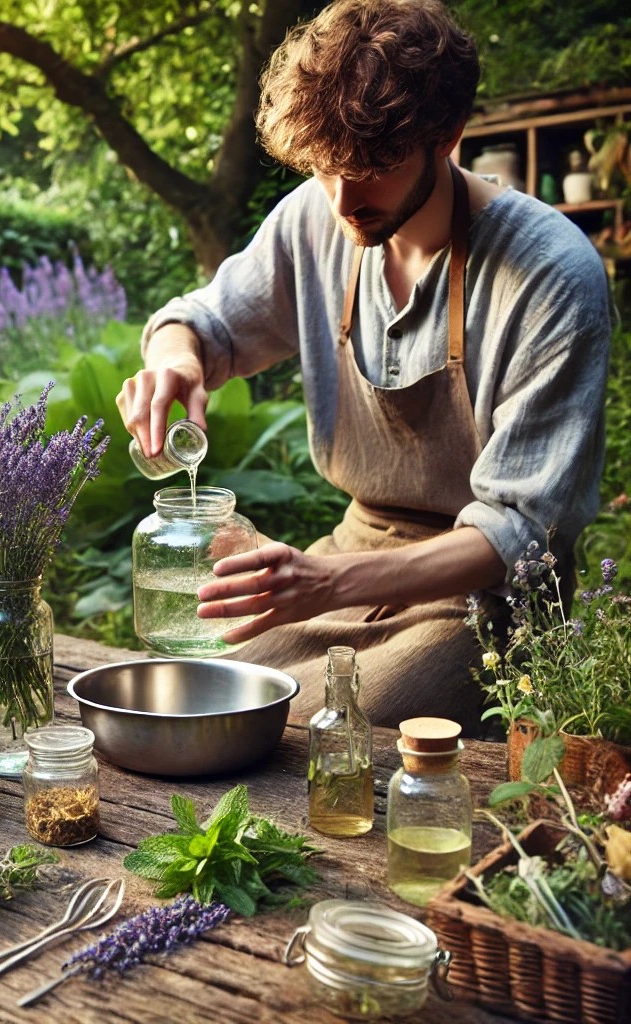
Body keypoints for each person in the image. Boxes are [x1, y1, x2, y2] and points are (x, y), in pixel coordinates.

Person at [116, 0, 613, 734]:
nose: (343, 201)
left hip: (488, 593)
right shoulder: (315, 220)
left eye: (371, 170)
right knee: (206, 684)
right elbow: (204, 320)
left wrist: (323, 584)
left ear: (449, 137)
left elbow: (519, 531)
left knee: (336, 722)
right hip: (352, 553)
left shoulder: (549, 274)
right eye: (322, 169)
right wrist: (174, 360)